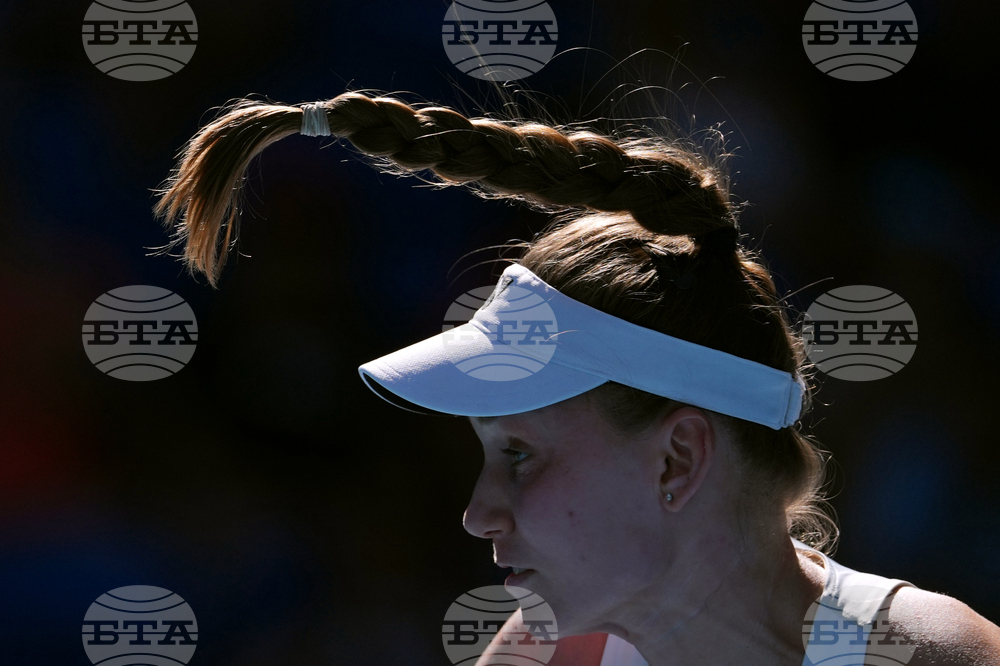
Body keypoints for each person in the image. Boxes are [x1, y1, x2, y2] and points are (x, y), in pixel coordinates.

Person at [154, 90, 1000, 666]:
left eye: (519, 453)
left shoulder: (928, 654)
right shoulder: (532, 652)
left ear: (677, 460)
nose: (476, 512)